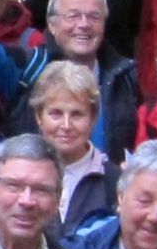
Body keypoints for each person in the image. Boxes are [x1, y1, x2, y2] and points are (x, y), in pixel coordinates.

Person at [12, 0, 144, 154]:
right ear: (52, 25)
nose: (84, 24)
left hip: (108, 179)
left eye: (94, 17)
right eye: (73, 16)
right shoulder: (28, 65)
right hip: (41, 177)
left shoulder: (127, 76)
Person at [27, 63, 112, 226]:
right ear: (39, 116)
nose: (66, 125)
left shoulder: (112, 179)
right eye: (56, 114)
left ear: (93, 117)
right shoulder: (20, 175)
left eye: (77, 114)